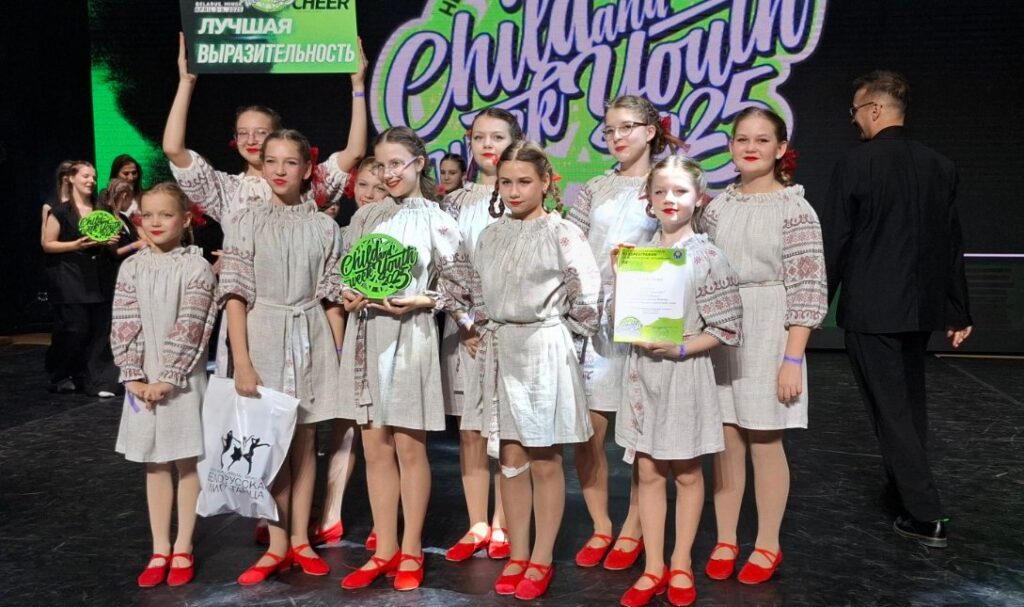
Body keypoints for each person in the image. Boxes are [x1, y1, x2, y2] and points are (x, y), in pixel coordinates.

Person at [822, 70, 972, 548]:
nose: (854, 121)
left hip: (872, 310)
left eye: (855, 112)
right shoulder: (940, 165)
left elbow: (837, 243)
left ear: (874, 110)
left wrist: (812, 307)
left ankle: (925, 514)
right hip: (920, 309)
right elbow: (951, 244)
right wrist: (958, 309)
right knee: (908, 405)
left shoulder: (855, 164)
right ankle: (907, 493)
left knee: (891, 411)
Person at [164, 32, 367, 377]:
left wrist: (358, 86)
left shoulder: (307, 185)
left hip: (302, 317)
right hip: (249, 318)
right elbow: (173, 149)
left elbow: (355, 152)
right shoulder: (228, 190)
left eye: (260, 132)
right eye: (242, 132)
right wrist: (186, 83)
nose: (251, 140)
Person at [338, 127, 472, 592]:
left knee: (409, 448)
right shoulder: (366, 217)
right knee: (374, 448)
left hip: (410, 336)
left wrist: (421, 301)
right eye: (381, 165)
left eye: (397, 164)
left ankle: (411, 549)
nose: (388, 173)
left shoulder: (438, 219)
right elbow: (345, 272)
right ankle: (384, 550)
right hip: (366, 334)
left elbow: (461, 288)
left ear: (419, 163)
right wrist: (348, 294)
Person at [467, 140, 600, 600]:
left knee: (544, 457)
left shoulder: (563, 233)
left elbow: (588, 298)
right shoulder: (490, 235)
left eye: (524, 181)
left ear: (546, 182)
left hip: (543, 348)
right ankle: (518, 552)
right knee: (510, 457)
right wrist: (485, 326)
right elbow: (477, 291)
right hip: (502, 347)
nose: (514, 191)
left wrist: (559, 335)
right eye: (506, 182)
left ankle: (541, 557)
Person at [702, 107, 828, 584]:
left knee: (765, 439)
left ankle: (767, 544)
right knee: (725, 440)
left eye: (761, 139)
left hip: (769, 328)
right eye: (742, 139)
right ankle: (725, 538)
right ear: (730, 147)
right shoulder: (717, 208)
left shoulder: (795, 209)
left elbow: (808, 287)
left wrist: (792, 358)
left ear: (780, 148)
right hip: (722, 329)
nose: (750, 147)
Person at [217, 129, 347, 584]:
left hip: (311, 336)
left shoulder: (325, 227)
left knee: (306, 442)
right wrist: (242, 361)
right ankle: (276, 544)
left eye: (290, 162)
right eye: (271, 161)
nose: (279, 170)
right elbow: (235, 295)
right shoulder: (247, 222)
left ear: (307, 169)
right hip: (265, 334)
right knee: (269, 444)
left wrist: (339, 356)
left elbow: (332, 298)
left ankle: (300, 540)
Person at [612, 155, 743, 607]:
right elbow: (624, 317)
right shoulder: (637, 254)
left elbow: (727, 328)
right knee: (648, 471)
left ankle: (681, 562)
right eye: (661, 191)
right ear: (648, 199)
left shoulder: (708, 256)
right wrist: (621, 278)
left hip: (684, 373)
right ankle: (653, 566)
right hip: (642, 373)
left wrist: (682, 348)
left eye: (680, 191)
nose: (670, 199)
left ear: (699, 198)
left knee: (686, 472)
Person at [565, 94, 684, 570]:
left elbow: (682, 243)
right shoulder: (595, 187)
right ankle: (601, 525)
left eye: (626, 127)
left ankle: (634, 528)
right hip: (594, 323)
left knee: (641, 440)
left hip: (644, 319)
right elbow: (570, 244)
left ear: (650, 132)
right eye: (609, 130)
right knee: (588, 434)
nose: (616, 137)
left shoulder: (667, 183)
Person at [110, 182, 217, 588]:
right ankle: (160, 548)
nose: (155, 222)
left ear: (185, 220)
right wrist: (133, 375)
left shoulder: (196, 267)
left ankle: (183, 546)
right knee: (154, 462)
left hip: (182, 379)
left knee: (186, 460)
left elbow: (192, 324)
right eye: (148, 214)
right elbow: (124, 320)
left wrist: (168, 378)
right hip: (141, 382)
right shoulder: (132, 267)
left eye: (166, 214)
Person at [439, 108, 524, 563]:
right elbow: (445, 266)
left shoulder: (524, 193)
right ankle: (476, 523)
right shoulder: (454, 202)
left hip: (510, 331)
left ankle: (503, 521)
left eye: (497, 137)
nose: (487, 145)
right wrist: (465, 322)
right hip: (465, 332)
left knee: (506, 429)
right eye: (479, 138)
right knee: (471, 430)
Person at [41, 160, 123, 397]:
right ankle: (62, 374)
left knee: (100, 331)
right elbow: (48, 244)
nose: (91, 181)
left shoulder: (102, 210)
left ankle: (98, 381)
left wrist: (111, 242)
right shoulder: (61, 211)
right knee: (76, 329)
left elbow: (111, 244)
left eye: (94, 177)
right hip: (71, 278)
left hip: (98, 276)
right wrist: (76, 245)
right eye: (86, 176)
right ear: (71, 178)